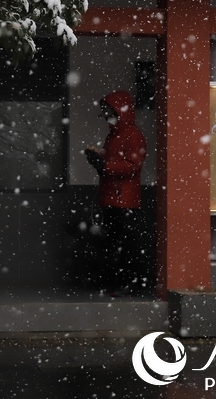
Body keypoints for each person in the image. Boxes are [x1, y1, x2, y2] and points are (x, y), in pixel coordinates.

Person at [85, 89, 147, 296]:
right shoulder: (113, 135)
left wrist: (104, 166)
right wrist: (97, 159)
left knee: (125, 245)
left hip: (125, 199)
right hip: (112, 196)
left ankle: (128, 284)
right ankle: (117, 283)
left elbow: (132, 165)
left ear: (120, 111)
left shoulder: (133, 135)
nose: (105, 116)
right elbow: (113, 161)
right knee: (114, 243)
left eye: (108, 111)